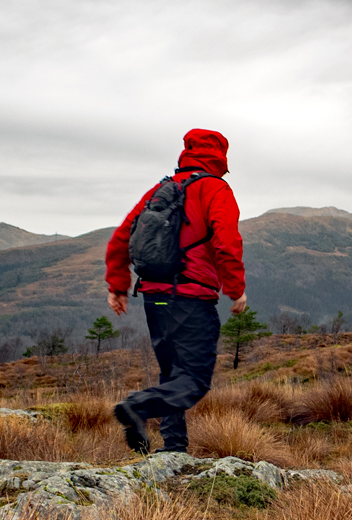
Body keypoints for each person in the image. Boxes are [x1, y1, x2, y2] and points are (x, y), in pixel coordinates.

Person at [104, 129, 248, 455]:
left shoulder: (160, 189)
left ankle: (174, 448)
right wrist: (235, 288)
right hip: (191, 297)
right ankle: (138, 407)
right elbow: (226, 241)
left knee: (172, 372)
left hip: (154, 297)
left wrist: (118, 287)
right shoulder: (215, 188)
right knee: (194, 380)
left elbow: (120, 239)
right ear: (220, 158)